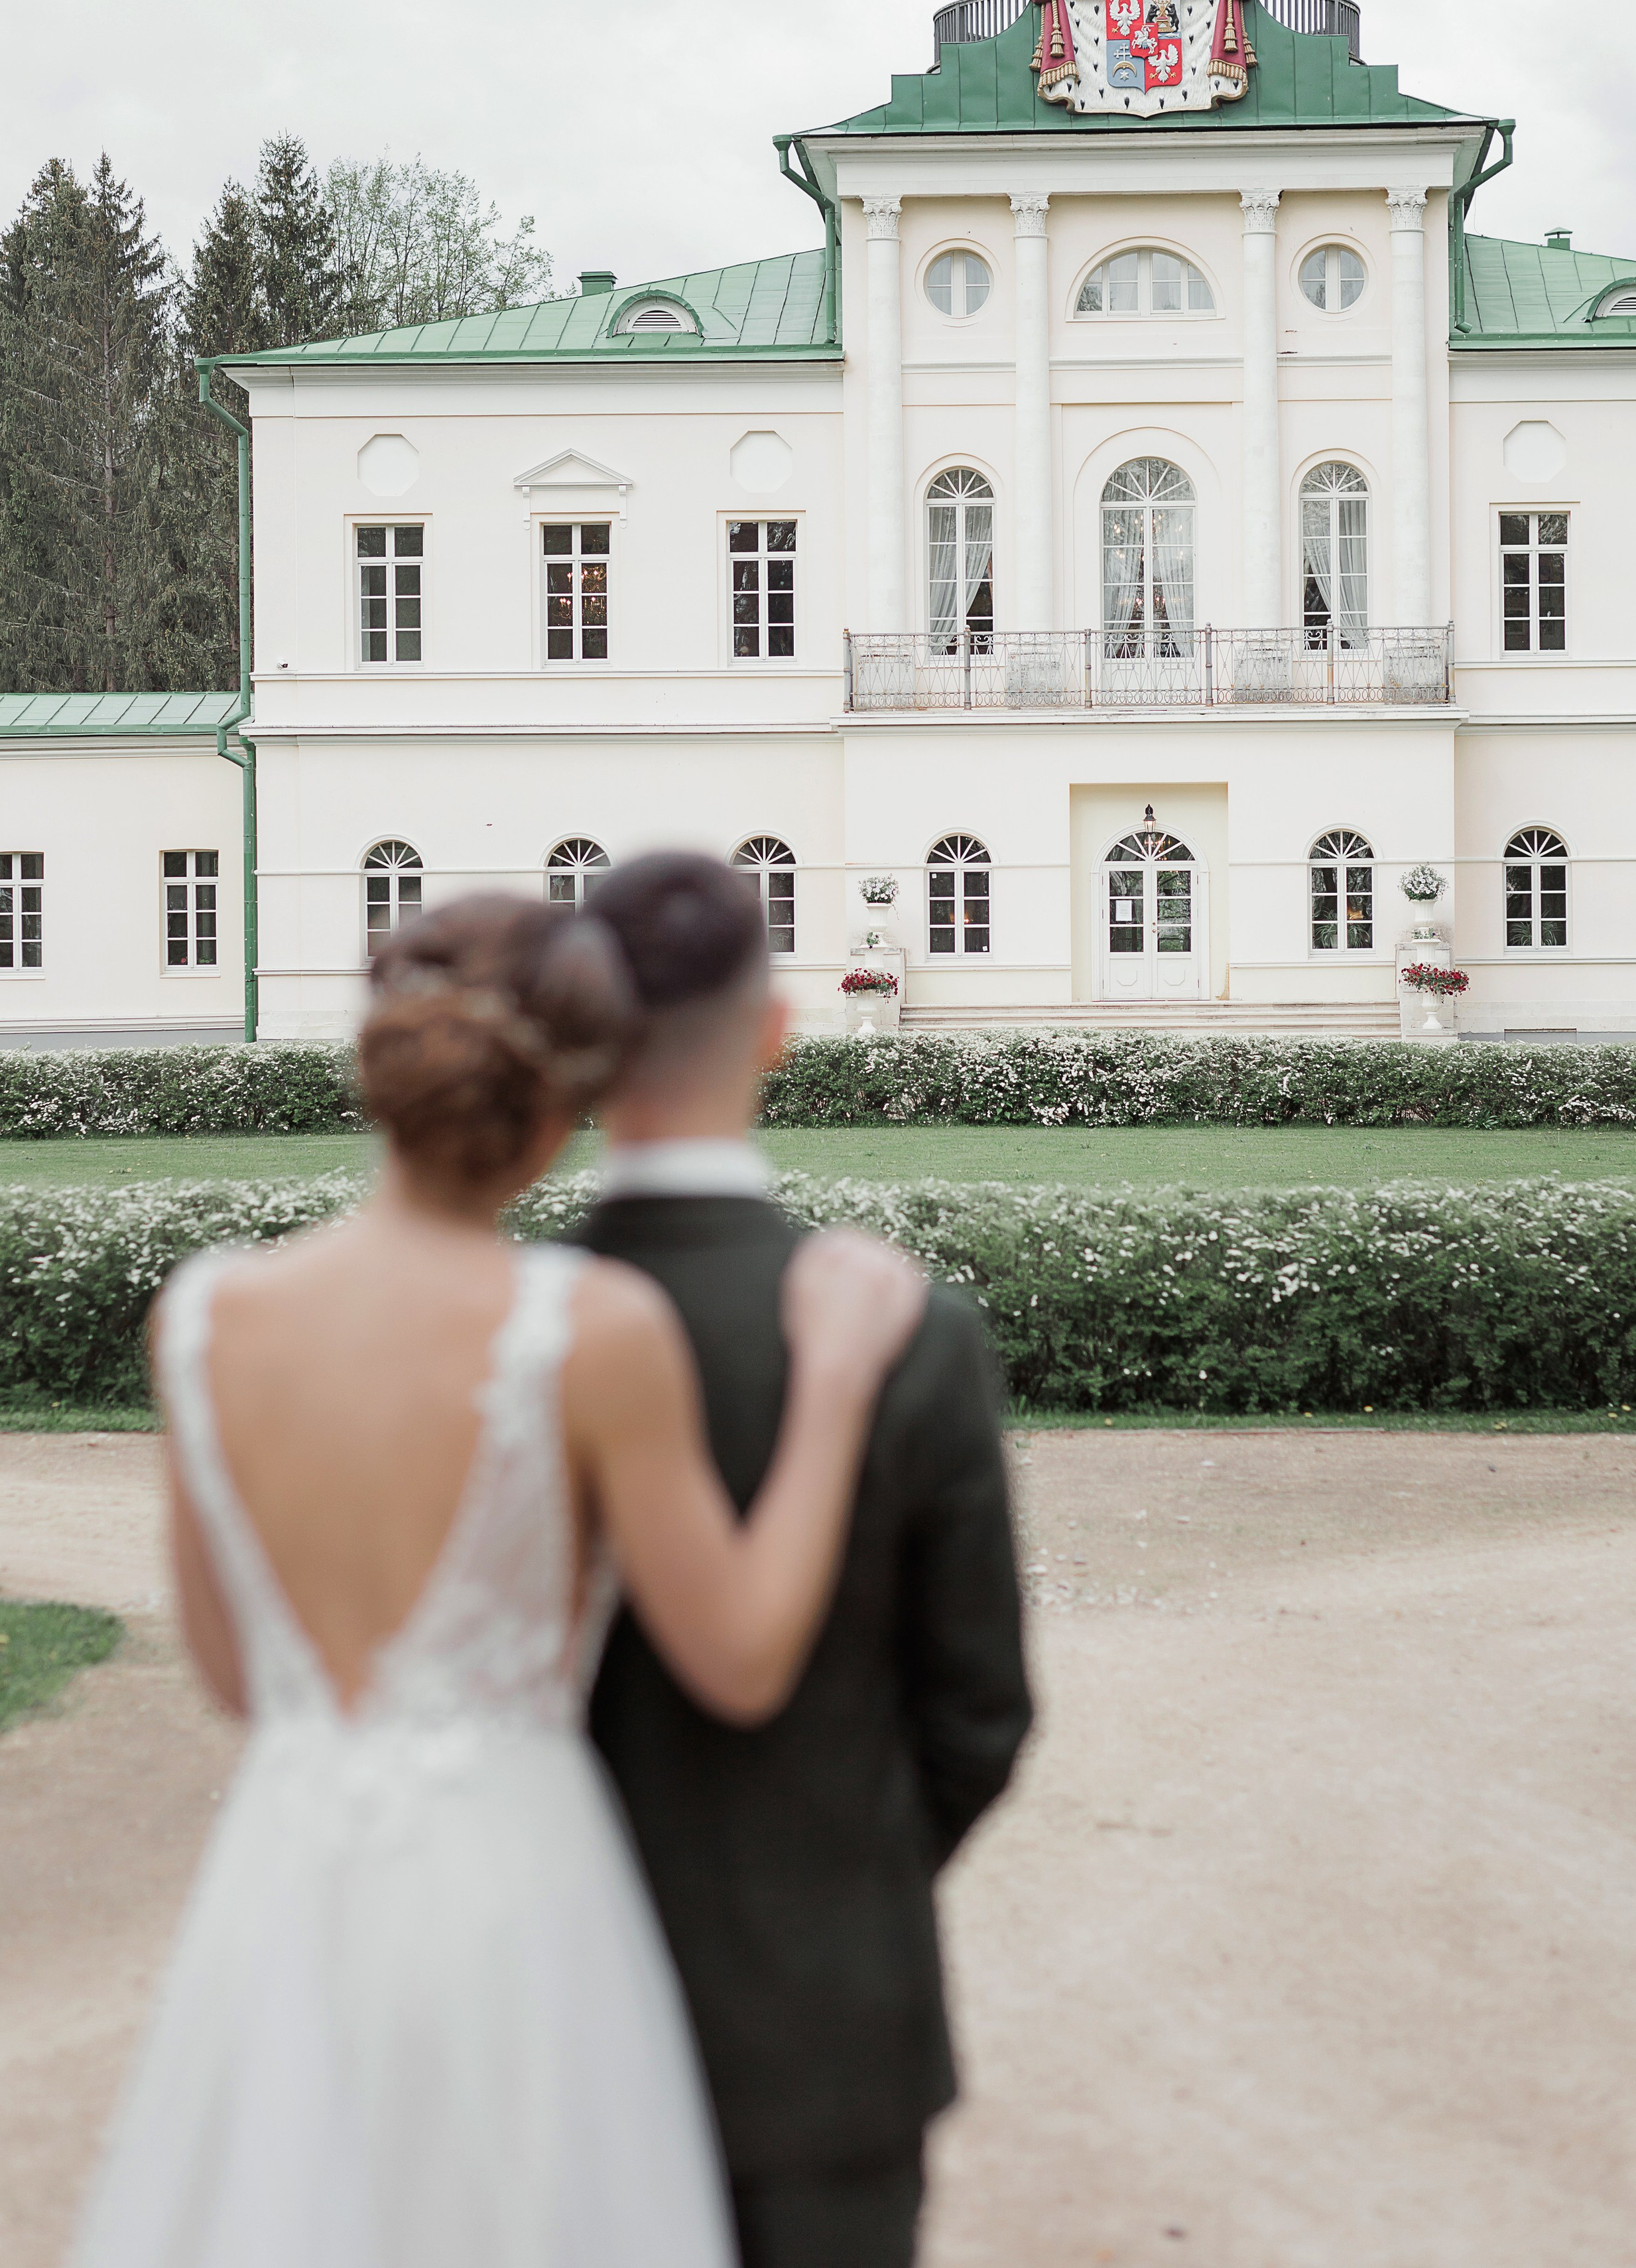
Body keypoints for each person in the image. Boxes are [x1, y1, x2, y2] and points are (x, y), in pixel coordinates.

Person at [72, 892, 927, 2268]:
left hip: (284, 1880)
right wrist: (831, 1383)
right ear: (564, 1105)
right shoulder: (588, 1328)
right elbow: (742, 1654)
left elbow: (236, 1680)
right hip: (513, 1886)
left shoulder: (205, 1316)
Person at [582, 852, 1032, 2268]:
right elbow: (979, 1716)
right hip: (827, 2025)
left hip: (548, 2021)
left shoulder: (504, 1326)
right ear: (773, 1032)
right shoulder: (911, 1331)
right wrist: (843, 1870)